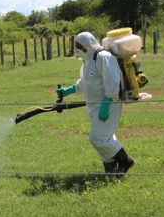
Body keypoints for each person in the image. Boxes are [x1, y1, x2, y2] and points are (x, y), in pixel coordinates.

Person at [56, 32, 135, 175]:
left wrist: (106, 102)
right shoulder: (88, 60)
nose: (77, 49)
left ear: (87, 45)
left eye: (79, 46)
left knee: (96, 137)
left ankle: (125, 161)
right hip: (93, 106)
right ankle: (110, 166)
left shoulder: (103, 57)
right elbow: (86, 81)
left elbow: (112, 81)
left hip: (109, 103)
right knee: (105, 136)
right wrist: (69, 90)